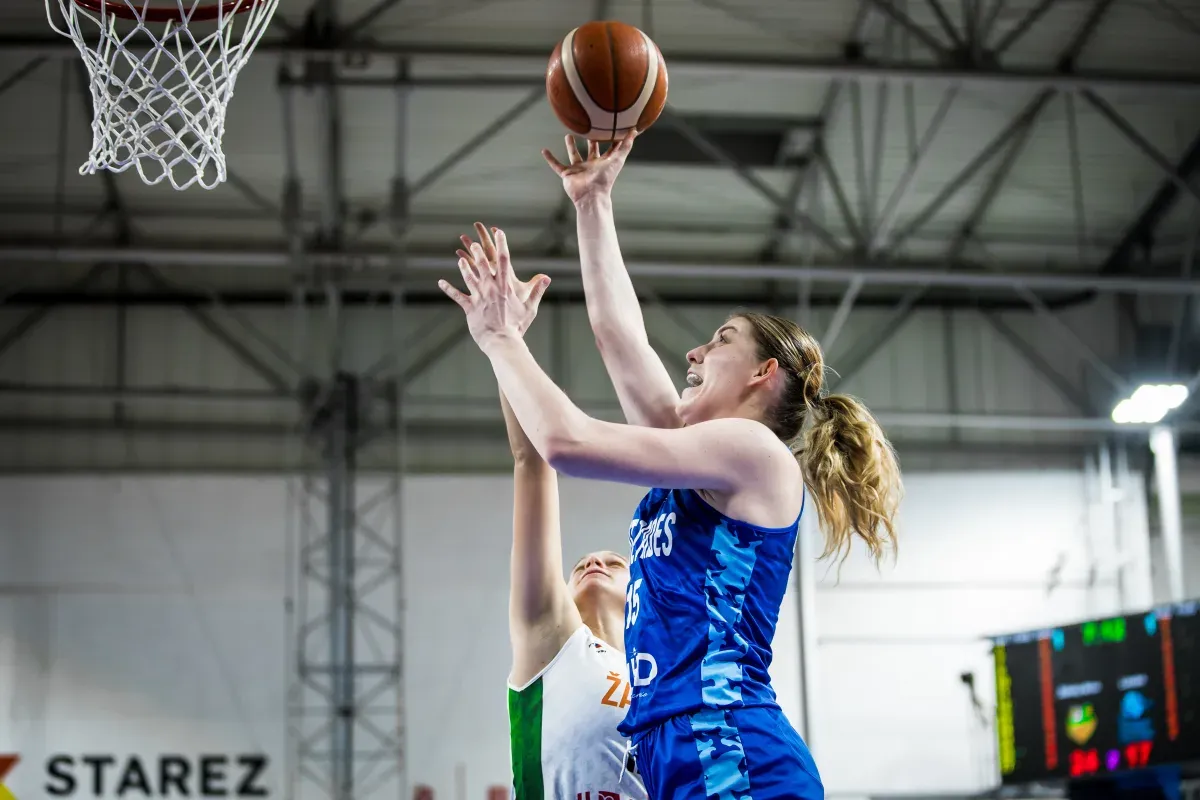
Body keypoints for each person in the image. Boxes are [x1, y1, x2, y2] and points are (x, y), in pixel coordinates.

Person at [442, 139, 901, 800]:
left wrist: (498, 338)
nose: (694, 350)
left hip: (731, 748)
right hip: (677, 753)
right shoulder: (704, 465)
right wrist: (592, 202)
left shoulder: (754, 454)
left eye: (719, 342)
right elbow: (618, 338)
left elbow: (564, 443)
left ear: (762, 375)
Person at [464, 224, 647, 800]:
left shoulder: (665, 673)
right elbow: (532, 460)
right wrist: (506, 340)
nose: (593, 560)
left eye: (615, 561)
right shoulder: (553, 640)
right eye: (580, 566)